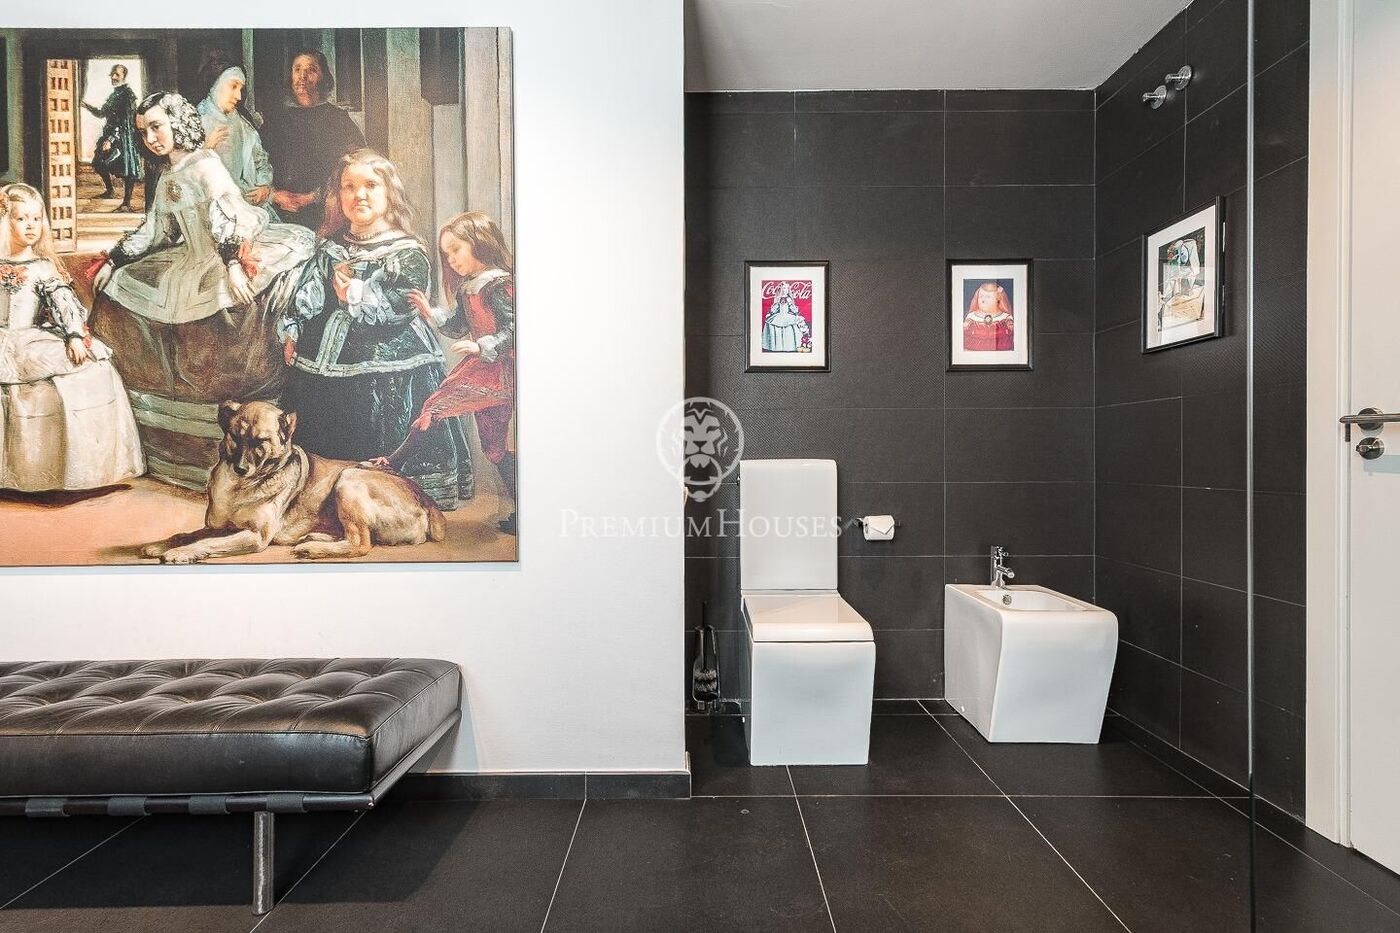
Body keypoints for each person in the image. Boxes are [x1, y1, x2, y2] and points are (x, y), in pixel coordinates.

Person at [277, 149, 473, 510]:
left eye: (370, 185)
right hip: (324, 357)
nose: (359, 195)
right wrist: (293, 328)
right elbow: (309, 290)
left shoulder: (406, 251)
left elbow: (403, 303)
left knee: (380, 427)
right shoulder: (331, 247)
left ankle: (387, 498)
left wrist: (353, 293)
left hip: (391, 359)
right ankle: (324, 493)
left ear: (389, 193)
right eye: (349, 187)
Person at [93, 91, 314, 329]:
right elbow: (155, 230)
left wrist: (233, 265)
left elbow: (229, 219)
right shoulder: (167, 177)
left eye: (156, 127)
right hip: (192, 258)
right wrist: (113, 261)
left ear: (177, 121)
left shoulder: (206, 165)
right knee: (121, 281)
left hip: (225, 255)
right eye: (143, 132)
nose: (150, 138)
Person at [377, 211, 516, 533]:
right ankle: (525, 510)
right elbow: (456, 326)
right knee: (493, 448)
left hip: (499, 368)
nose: (451, 259)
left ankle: (392, 462)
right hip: (483, 366)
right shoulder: (470, 287)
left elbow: (514, 329)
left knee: (434, 408)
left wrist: (481, 346)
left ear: (480, 242)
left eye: (456, 249)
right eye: (446, 253)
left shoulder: (498, 284)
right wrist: (430, 312)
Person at [0, 184, 144, 491]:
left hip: (29, 340)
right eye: (21, 219)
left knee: (95, 367)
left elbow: (64, 304)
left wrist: (75, 335)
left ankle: (81, 472)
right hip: (4, 342)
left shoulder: (43, 267)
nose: (31, 226)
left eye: (36, 218)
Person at [260, 49, 366, 233]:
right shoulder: (276, 120)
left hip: (327, 212)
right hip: (280, 212)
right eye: (297, 69)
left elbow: (356, 165)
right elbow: (255, 164)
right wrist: (275, 195)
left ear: (323, 77)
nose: (302, 77)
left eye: (311, 70)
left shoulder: (338, 119)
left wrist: (314, 196)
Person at [196, 58, 275, 216]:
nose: (238, 96)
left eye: (241, 89)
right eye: (233, 86)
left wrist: (264, 186)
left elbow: (261, 161)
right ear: (214, 85)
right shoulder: (195, 121)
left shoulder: (242, 125)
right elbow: (180, 176)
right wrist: (204, 150)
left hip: (247, 205)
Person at [81, 64, 142, 212]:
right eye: (112, 74)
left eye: (117, 75)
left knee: (128, 170)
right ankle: (110, 191)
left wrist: (111, 139)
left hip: (124, 138)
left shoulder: (127, 96)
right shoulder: (116, 94)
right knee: (98, 163)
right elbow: (102, 113)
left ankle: (126, 203)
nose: (113, 77)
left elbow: (125, 121)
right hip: (111, 135)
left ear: (124, 77)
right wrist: (85, 105)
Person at [962, 281, 1015, 352]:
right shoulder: (972, 316)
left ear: (998, 299)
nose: (983, 300)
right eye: (981, 296)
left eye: (988, 297)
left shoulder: (1004, 317)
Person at [760, 281, 811, 352]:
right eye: (784, 288)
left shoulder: (789, 299)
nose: (785, 290)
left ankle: (790, 346)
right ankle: (778, 347)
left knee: (789, 329)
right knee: (774, 326)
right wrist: (771, 312)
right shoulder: (778, 298)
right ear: (781, 289)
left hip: (787, 316)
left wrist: (792, 306)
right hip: (779, 315)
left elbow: (794, 309)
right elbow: (775, 308)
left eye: (787, 288)